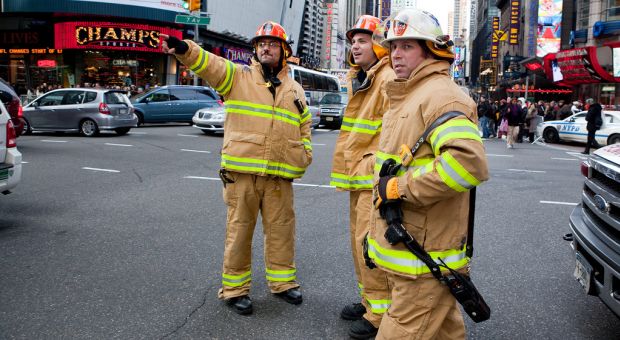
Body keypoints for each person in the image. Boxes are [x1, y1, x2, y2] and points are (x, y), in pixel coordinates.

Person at [161, 21, 313, 315]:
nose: (265, 47)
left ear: (284, 51)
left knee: (282, 231)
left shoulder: (295, 90)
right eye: (260, 44)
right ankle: (234, 290)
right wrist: (183, 48)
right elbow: (209, 64)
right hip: (242, 176)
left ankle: (283, 283)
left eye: (272, 43)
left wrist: (304, 153)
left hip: (279, 177)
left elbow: (304, 126)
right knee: (239, 233)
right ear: (255, 50)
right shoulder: (237, 77)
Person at [365, 9, 489, 339]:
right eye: (393, 47)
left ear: (430, 49)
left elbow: (467, 164)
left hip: (423, 257)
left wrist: (399, 188)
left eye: (406, 46)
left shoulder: (441, 95)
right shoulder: (407, 95)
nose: (396, 54)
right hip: (413, 249)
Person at [329, 15, 394, 339]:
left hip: (372, 177)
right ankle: (370, 301)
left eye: (362, 40)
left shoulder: (387, 78)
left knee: (370, 245)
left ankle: (379, 316)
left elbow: (395, 132)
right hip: (359, 177)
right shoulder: (364, 77)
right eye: (353, 41)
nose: (355, 46)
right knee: (359, 245)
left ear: (379, 45)